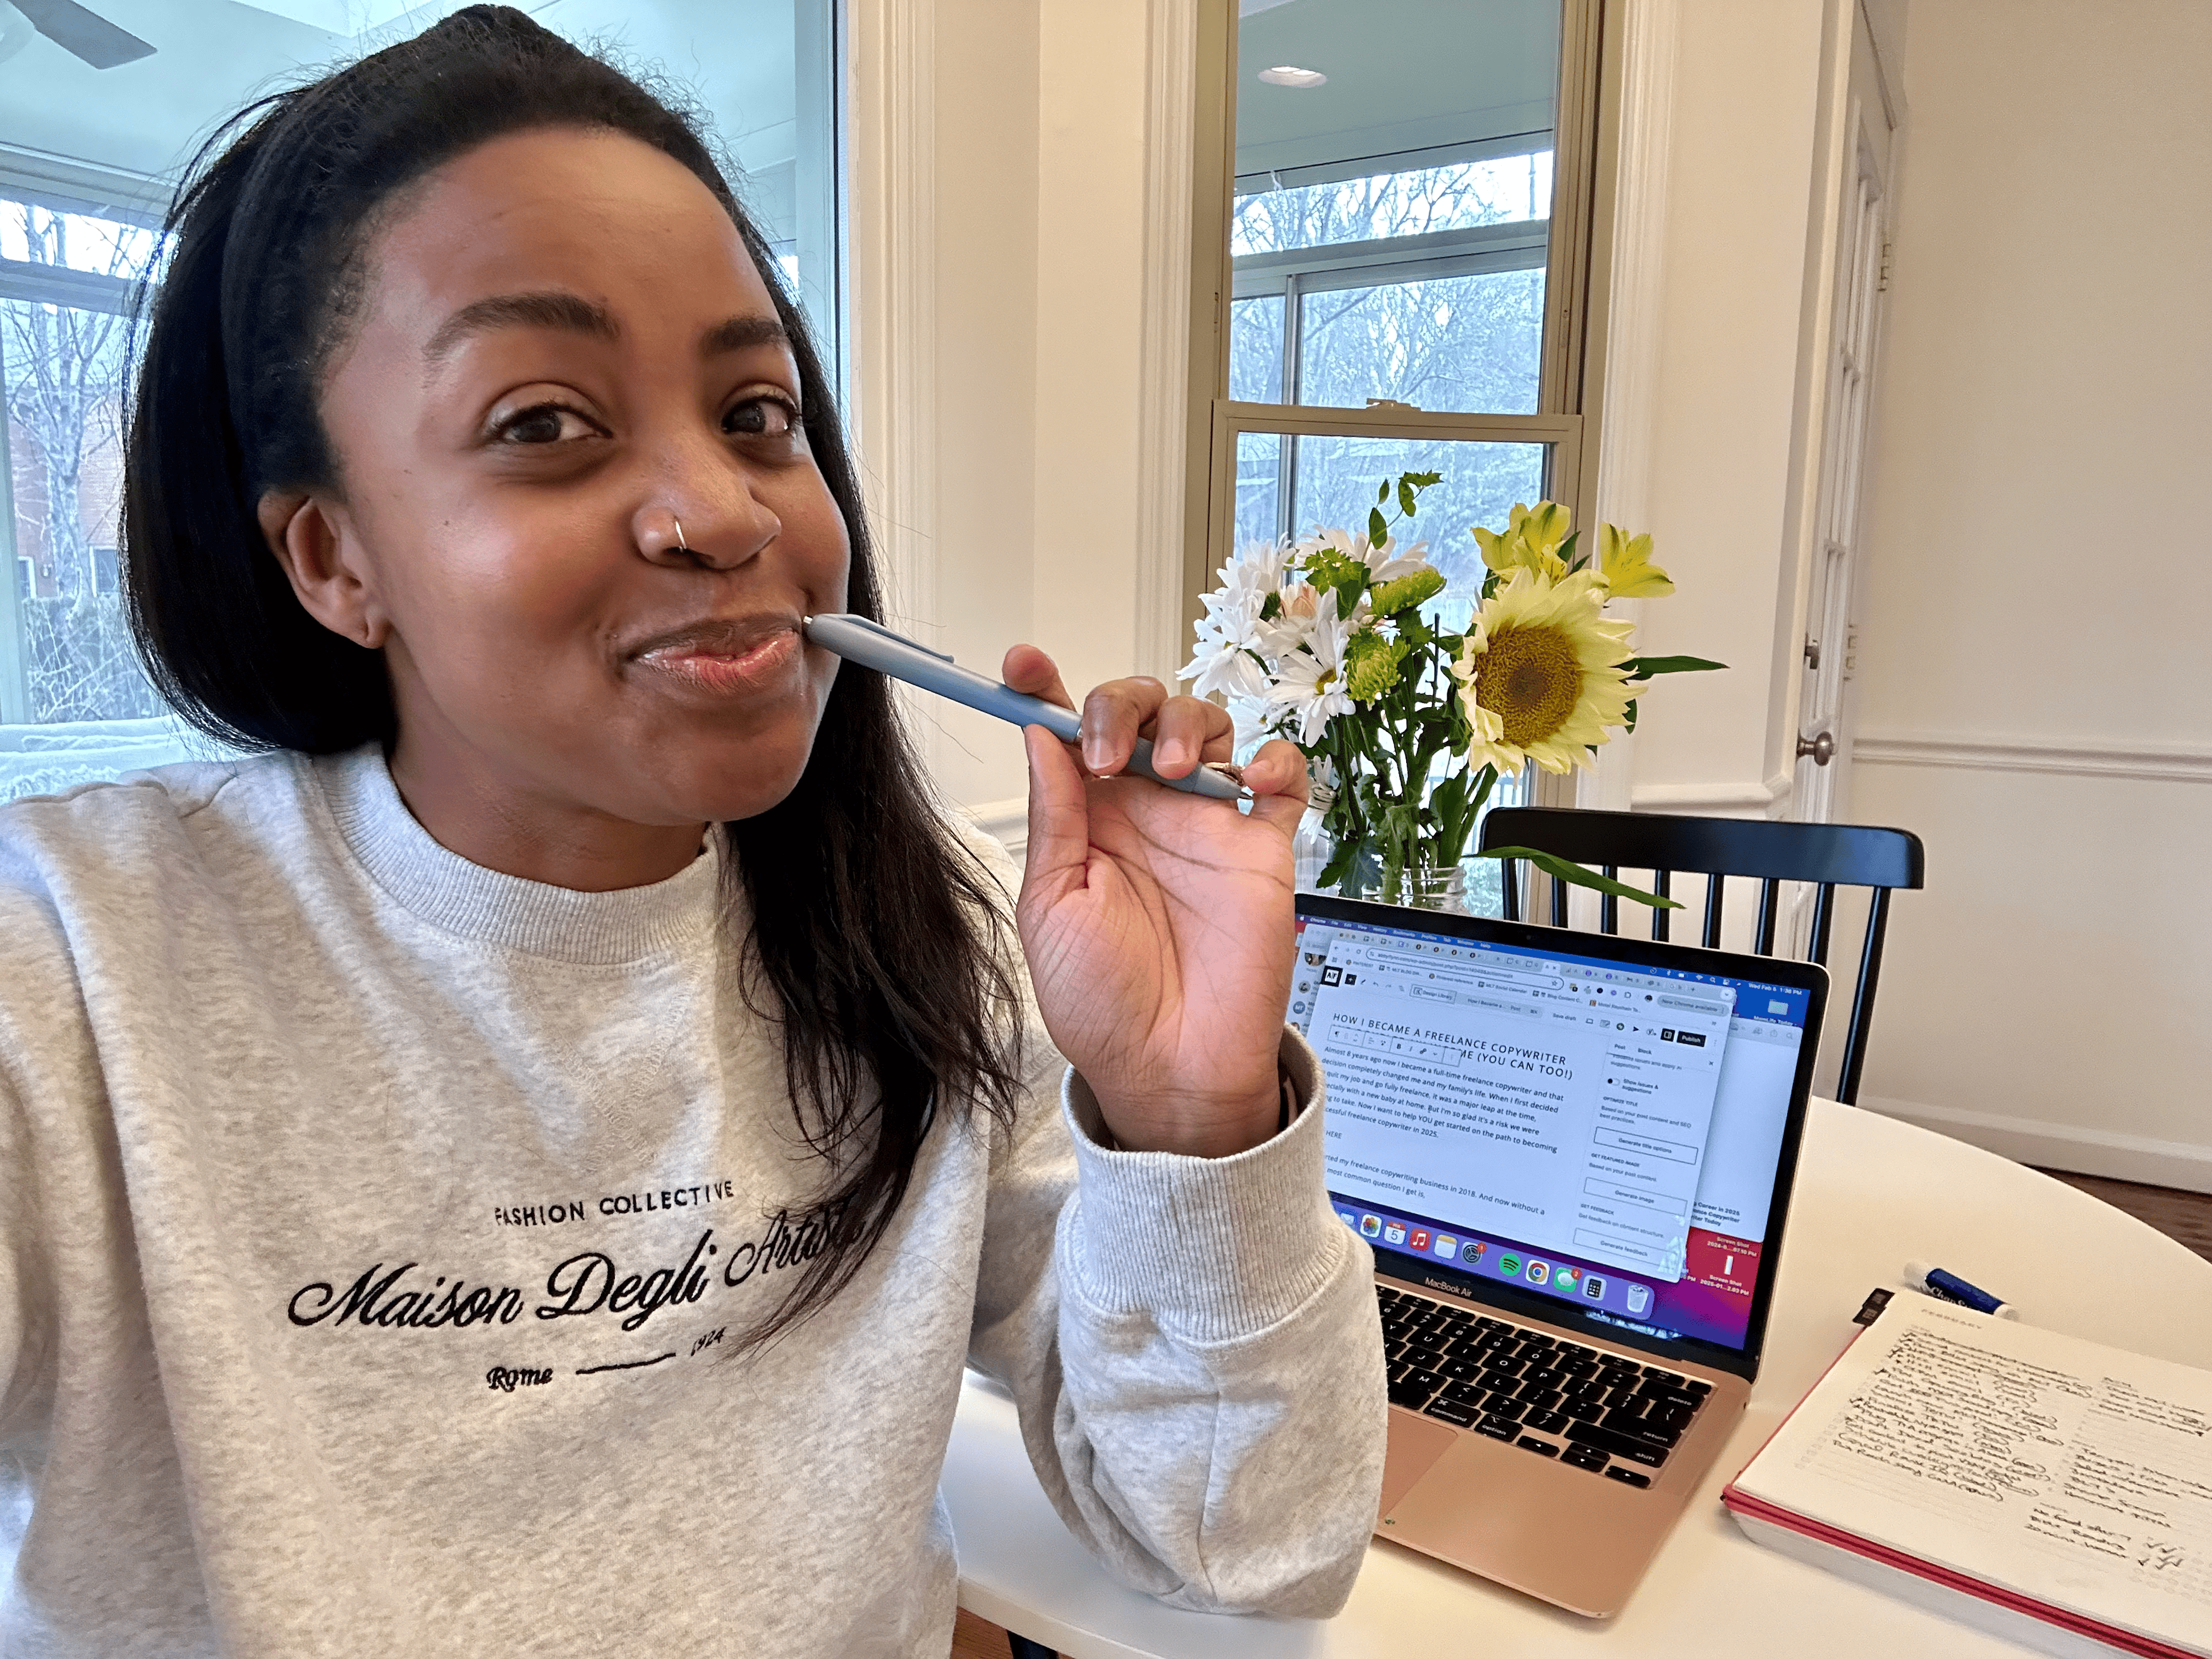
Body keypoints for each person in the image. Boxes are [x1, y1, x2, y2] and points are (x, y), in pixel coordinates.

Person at [0, 9, 1385, 1655]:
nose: (724, 514)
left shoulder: (922, 925)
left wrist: (1186, 1112)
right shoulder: (71, 967)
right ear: (333, 559)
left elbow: (1247, 1548)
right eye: (542, 424)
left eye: (755, 414)